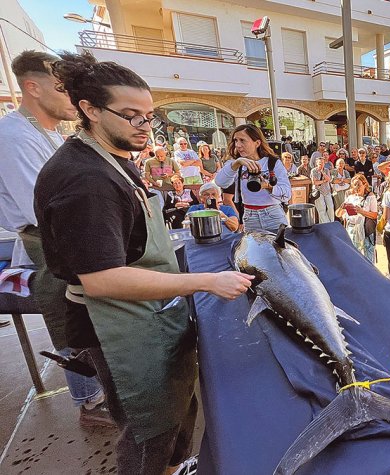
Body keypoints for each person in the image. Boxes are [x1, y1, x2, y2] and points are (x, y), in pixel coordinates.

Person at [35, 50, 253, 474]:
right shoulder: (84, 180)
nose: (145, 127)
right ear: (89, 110)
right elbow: (101, 280)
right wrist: (205, 282)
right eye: (132, 116)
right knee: (147, 429)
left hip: (147, 314)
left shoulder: (109, 157)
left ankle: (174, 468)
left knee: (171, 415)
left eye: (150, 116)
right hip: (115, 324)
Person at [0, 50, 110, 427]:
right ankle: (89, 403)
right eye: (63, 89)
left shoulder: (43, 132)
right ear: (32, 87)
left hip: (66, 234)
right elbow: (40, 207)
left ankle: (99, 392)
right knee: (69, 318)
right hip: (46, 240)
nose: (72, 98)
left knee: (86, 316)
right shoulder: (14, 137)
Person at [215, 124, 291, 232]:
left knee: (277, 248)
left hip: (273, 214)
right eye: (236, 140)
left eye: (242, 140)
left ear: (257, 143)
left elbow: (287, 194)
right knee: (253, 248)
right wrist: (236, 164)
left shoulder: (272, 162)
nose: (238, 145)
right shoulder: (235, 164)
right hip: (249, 216)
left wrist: (267, 186)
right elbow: (220, 182)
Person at [337, 174, 378, 263]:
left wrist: (361, 211)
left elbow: (374, 215)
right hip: (352, 229)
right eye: (354, 185)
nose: (356, 187)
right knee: (354, 256)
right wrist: (341, 207)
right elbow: (338, 214)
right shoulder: (351, 197)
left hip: (366, 230)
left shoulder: (371, 197)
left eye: (358, 184)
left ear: (365, 184)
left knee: (368, 257)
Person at [309, 156, 335, 224]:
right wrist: (323, 181)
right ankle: (326, 224)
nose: (321, 165)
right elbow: (315, 182)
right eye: (320, 163)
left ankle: (330, 223)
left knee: (330, 207)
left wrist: (323, 173)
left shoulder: (326, 170)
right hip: (318, 192)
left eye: (323, 163)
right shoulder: (313, 171)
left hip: (327, 191)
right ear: (317, 163)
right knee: (321, 209)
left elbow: (329, 179)